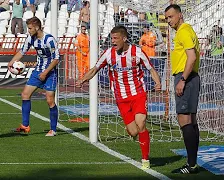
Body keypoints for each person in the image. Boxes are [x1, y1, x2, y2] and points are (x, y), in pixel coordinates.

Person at [76, 25, 161, 169]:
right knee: (133, 131)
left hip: (138, 94)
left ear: (124, 38)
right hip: (121, 98)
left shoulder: (137, 52)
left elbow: (151, 68)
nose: (113, 41)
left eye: (116, 38)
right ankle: (134, 134)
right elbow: (95, 68)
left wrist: (157, 82)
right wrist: (83, 79)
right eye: (111, 39)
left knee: (141, 124)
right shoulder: (108, 54)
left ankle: (145, 159)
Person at [7, 17, 60, 136]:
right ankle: (25, 126)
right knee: (25, 94)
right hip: (38, 71)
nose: (28, 30)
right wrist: (11, 62)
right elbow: (22, 52)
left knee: (50, 100)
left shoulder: (49, 39)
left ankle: (53, 129)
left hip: (50, 73)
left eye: (30, 28)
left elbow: (57, 59)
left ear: (37, 27)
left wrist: (45, 72)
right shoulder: (31, 38)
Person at [165, 4, 200, 174]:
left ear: (180, 15)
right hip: (189, 78)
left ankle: (191, 165)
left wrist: (183, 80)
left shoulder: (184, 31)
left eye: (171, 17)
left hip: (186, 77)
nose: (168, 21)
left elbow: (191, 57)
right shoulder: (185, 31)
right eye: (167, 18)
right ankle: (192, 163)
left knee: (185, 120)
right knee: (191, 120)